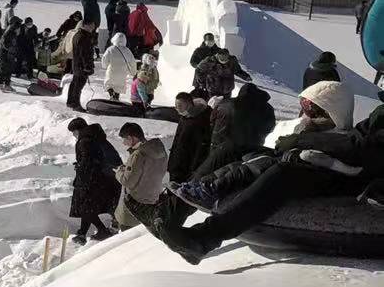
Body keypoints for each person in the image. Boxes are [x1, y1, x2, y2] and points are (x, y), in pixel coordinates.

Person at [154, 103, 384, 265]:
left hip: (354, 175)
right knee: (235, 149)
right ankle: (174, 212)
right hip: (346, 161)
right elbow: (355, 138)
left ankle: (204, 238)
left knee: (285, 174)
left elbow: (360, 147)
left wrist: (300, 142)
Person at [67, 117, 120, 243]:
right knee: (88, 207)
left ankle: (102, 231)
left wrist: (80, 168)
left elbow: (88, 162)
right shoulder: (97, 137)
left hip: (92, 181)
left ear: (78, 130)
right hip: (105, 179)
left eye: (73, 132)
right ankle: (82, 234)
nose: (74, 136)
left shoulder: (84, 141)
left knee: (85, 208)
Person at [114, 122, 169, 230]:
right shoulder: (159, 150)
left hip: (134, 202)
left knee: (128, 237)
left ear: (131, 138)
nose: (124, 143)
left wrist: (118, 172)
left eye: (125, 139)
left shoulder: (138, 155)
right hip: (152, 198)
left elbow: (128, 181)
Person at [166, 93, 211, 185]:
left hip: (185, 168)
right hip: (177, 162)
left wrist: (193, 169)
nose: (176, 108)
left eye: (179, 105)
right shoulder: (185, 117)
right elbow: (178, 139)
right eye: (175, 105)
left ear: (189, 104)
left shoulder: (199, 121)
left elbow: (199, 148)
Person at [67, 21, 97, 110]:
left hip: (76, 63)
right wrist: (88, 66)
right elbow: (85, 54)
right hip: (82, 66)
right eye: (91, 25)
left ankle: (70, 101)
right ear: (84, 25)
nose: (93, 27)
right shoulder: (84, 37)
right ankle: (75, 104)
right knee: (78, 85)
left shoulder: (77, 35)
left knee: (74, 83)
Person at [100, 32, 133, 100]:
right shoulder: (127, 50)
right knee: (119, 86)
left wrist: (105, 66)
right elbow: (132, 62)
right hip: (122, 72)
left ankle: (112, 95)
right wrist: (133, 71)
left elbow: (104, 59)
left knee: (109, 84)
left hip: (112, 71)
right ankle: (116, 99)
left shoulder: (110, 49)